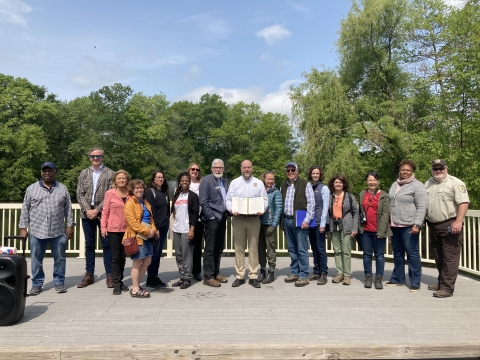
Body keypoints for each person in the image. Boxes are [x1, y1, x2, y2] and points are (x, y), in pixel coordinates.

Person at [19, 162, 74, 295]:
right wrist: (23, 227)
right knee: (36, 259)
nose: (47, 173)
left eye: (50, 170)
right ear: (41, 173)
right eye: (45, 171)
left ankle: (59, 282)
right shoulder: (31, 189)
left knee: (60, 258)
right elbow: (25, 209)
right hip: (37, 230)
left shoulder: (62, 188)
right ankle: (37, 284)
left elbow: (68, 208)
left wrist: (70, 225)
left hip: (58, 230)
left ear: (55, 172)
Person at [425, 159, 469, 298]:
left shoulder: (456, 183)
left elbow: (463, 202)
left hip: (450, 224)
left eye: (441, 168)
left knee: (450, 257)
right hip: (433, 225)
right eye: (435, 168)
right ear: (432, 169)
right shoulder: (428, 183)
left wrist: (458, 221)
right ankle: (441, 282)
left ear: (446, 168)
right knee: (439, 256)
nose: (438, 171)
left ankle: (447, 288)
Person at [226, 160, 268, 288]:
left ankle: (253, 275)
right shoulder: (234, 183)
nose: (247, 169)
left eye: (249, 167)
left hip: (254, 219)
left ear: (252, 168)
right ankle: (239, 275)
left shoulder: (259, 183)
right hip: (238, 218)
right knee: (239, 247)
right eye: (244, 167)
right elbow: (228, 200)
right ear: (241, 168)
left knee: (253, 247)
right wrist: (232, 209)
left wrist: (263, 209)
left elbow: (265, 200)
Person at [76, 147, 115, 288]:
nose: (95, 158)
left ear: (103, 157)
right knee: (89, 245)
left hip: (104, 214)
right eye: (93, 156)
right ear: (89, 158)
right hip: (87, 214)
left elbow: (111, 194)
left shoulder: (110, 173)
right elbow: (79, 193)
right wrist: (88, 210)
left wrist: (97, 210)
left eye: (98, 156)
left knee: (107, 245)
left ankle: (110, 275)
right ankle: (89, 274)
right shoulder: (84, 173)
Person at [387, 159, 427, 292]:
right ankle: (398, 278)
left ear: (412, 171)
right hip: (395, 224)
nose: (405, 172)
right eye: (403, 169)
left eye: (408, 170)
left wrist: (417, 224)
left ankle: (415, 281)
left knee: (412, 253)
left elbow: (422, 206)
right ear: (399, 170)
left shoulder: (417, 185)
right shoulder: (395, 184)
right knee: (397, 253)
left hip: (409, 225)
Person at [280, 162, 315, 287]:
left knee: (301, 249)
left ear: (297, 171)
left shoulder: (306, 184)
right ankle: (295, 272)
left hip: (300, 221)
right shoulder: (283, 186)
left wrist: (307, 220)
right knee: (292, 249)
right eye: (288, 170)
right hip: (287, 220)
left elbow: (311, 203)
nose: (290, 172)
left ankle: (304, 275)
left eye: (292, 170)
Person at [123, 179, 157, 298]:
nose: (139, 190)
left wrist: (153, 229)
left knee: (147, 261)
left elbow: (151, 219)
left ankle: (136, 285)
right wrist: (147, 231)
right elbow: (133, 223)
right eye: (137, 188)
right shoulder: (130, 203)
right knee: (137, 262)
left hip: (147, 237)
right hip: (136, 237)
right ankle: (135, 289)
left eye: (141, 188)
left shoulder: (145, 202)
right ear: (132, 190)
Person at [358, 172, 392, 290]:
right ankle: (368, 277)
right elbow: (360, 211)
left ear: (377, 181)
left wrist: (381, 231)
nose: (372, 182)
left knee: (379, 255)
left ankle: (378, 278)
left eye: (374, 180)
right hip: (365, 229)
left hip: (379, 230)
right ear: (366, 181)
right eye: (370, 180)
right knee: (367, 254)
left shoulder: (384, 195)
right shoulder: (362, 194)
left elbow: (385, 214)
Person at [199, 159, 230, 287]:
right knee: (210, 248)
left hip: (222, 217)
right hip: (212, 218)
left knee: (219, 247)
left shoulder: (224, 181)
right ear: (212, 169)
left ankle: (216, 273)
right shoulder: (206, 181)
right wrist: (211, 216)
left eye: (220, 168)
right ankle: (208, 276)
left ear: (223, 169)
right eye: (216, 167)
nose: (218, 170)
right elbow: (203, 201)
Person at [100, 170, 131, 295]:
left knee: (123, 257)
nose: (122, 180)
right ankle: (116, 283)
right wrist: (103, 227)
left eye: (124, 178)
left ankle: (121, 280)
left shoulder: (130, 194)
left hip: (127, 230)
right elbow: (105, 211)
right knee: (115, 257)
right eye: (119, 178)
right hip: (113, 229)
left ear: (127, 180)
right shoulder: (110, 194)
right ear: (115, 181)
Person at [327, 174, 359, 286]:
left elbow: (356, 213)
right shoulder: (330, 196)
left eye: (340, 182)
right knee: (337, 251)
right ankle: (339, 273)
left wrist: (355, 228)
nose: (338, 184)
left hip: (346, 226)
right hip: (333, 225)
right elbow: (327, 213)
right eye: (336, 182)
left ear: (344, 184)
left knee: (346, 251)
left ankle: (347, 275)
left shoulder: (349, 196)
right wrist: (327, 229)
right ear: (333, 184)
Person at [170, 172, 200, 289]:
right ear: (179, 182)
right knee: (178, 254)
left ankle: (187, 278)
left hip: (187, 229)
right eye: (182, 181)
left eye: (186, 181)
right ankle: (182, 276)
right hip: (176, 228)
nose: (184, 183)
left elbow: (195, 214)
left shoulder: (193, 196)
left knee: (187, 254)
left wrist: (192, 229)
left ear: (189, 182)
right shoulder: (177, 195)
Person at [145, 170, 170, 289]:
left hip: (164, 226)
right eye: (158, 177)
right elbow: (151, 211)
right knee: (154, 253)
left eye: (162, 177)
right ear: (153, 179)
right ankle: (150, 278)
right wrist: (155, 227)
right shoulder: (150, 192)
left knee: (158, 252)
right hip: (156, 227)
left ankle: (155, 276)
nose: (160, 179)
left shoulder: (164, 192)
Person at [307, 166, 330, 285]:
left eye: (317, 173)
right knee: (314, 248)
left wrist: (323, 224)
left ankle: (323, 273)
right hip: (310, 222)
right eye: (313, 173)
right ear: (310, 174)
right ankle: (316, 271)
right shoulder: (309, 187)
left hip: (319, 223)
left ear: (320, 175)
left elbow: (325, 206)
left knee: (321, 249)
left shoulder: (324, 188)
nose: (315, 175)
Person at [258, 171, 282, 284]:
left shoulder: (276, 192)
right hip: (258, 223)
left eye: (272, 179)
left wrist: (274, 225)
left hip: (269, 224)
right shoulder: (259, 191)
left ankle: (271, 272)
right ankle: (262, 271)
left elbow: (278, 209)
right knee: (260, 249)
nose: (270, 181)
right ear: (264, 179)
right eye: (268, 179)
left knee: (271, 249)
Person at [187, 163, 204, 281]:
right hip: (186, 219)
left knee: (197, 246)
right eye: (193, 169)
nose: (195, 171)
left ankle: (196, 271)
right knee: (186, 247)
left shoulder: (202, 184)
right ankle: (185, 271)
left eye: (197, 169)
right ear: (189, 170)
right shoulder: (183, 184)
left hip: (200, 219)